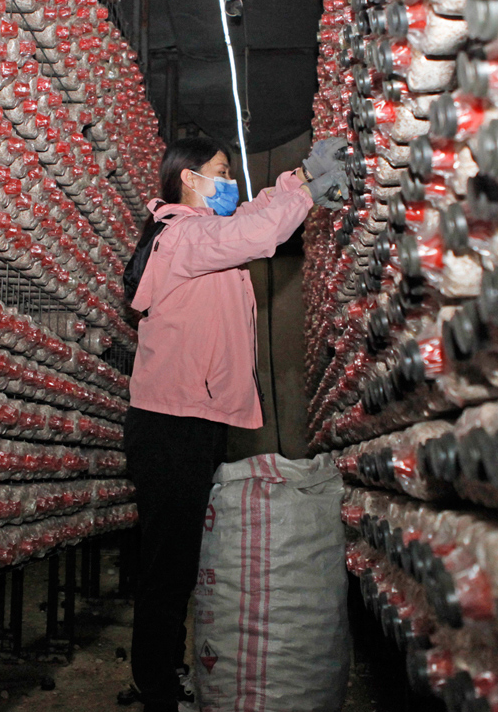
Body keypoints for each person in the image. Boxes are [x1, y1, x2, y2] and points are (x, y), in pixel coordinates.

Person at [120, 135, 346, 712]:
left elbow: (249, 217)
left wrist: (298, 178)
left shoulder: (197, 235)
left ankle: (164, 673)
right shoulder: (183, 234)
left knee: (175, 557)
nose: (231, 182)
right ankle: (157, 688)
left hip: (187, 416)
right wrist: (310, 196)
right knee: (169, 564)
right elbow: (256, 233)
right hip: (172, 420)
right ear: (190, 179)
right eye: (221, 171)